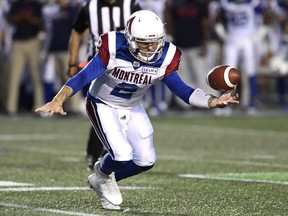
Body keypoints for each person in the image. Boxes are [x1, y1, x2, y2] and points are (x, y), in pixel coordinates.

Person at [35, 10, 239, 210]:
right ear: (130, 38)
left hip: (132, 106)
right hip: (102, 103)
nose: (150, 47)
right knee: (122, 155)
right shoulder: (114, 46)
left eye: (154, 41)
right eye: (144, 42)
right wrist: (58, 99)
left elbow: (182, 90)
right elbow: (83, 77)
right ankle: (103, 175)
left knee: (146, 160)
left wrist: (212, 101)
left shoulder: (167, 55)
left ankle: (102, 177)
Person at [67, 0, 142, 171]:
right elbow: (77, 31)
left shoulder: (131, 5)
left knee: (118, 110)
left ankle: (99, 154)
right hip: (98, 64)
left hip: (125, 66)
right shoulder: (90, 6)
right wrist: (72, 62)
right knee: (102, 107)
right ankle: (97, 154)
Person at [215, 0, 269, 115]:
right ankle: (225, 104)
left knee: (250, 72)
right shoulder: (226, 4)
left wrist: (258, 35)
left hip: (248, 41)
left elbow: (266, 17)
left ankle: (251, 103)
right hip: (232, 40)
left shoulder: (253, 3)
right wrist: (223, 34)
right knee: (226, 74)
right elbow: (217, 19)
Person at [164, 0, 212, 110]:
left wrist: (205, 42)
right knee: (182, 76)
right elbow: (170, 20)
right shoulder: (176, 4)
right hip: (179, 44)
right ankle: (185, 104)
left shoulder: (200, 4)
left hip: (196, 43)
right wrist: (171, 38)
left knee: (201, 74)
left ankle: (207, 101)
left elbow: (205, 23)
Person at [5, 0, 45, 115]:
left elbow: (40, 22)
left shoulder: (36, 4)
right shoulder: (16, 4)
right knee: (14, 77)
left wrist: (28, 18)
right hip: (18, 42)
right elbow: (10, 19)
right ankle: (11, 107)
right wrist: (21, 17)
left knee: (36, 76)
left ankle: (39, 107)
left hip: (33, 41)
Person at [41, 0, 81, 113]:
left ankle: (74, 107)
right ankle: (65, 108)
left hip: (67, 50)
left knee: (70, 79)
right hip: (56, 50)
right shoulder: (55, 11)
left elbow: (78, 30)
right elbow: (52, 33)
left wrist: (75, 49)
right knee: (61, 82)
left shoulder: (73, 10)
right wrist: (48, 51)